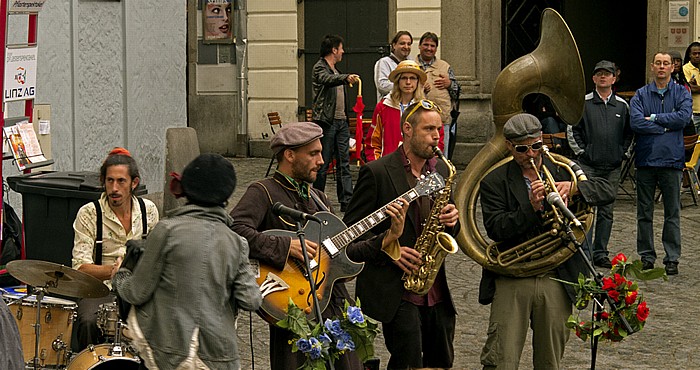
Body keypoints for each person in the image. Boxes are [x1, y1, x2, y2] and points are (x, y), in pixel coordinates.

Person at [479, 113, 609, 369]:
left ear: (542, 140)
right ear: (508, 146)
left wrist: (574, 189)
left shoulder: (563, 169)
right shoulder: (494, 180)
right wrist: (531, 208)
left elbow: (606, 190)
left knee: (550, 361)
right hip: (513, 276)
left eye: (536, 146)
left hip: (556, 276)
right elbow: (497, 228)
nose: (531, 154)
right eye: (522, 149)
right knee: (502, 358)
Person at [230, 121, 362, 370]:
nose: (321, 160)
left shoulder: (319, 198)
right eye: (313, 154)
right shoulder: (263, 191)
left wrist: (387, 239)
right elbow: (234, 230)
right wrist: (284, 246)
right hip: (291, 306)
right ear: (289, 155)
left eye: (320, 153)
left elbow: (340, 253)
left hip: (332, 303)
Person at [113, 154, 261, 370]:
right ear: (226, 195)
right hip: (219, 358)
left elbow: (136, 292)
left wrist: (121, 275)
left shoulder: (166, 230)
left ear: (187, 190)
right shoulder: (237, 243)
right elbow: (251, 300)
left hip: (168, 354)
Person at [344, 100, 459, 369]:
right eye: (428, 129)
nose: (436, 137)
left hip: (434, 289)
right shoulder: (377, 172)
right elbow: (350, 239)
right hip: (396, 291)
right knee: (407, 362)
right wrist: (388, 250)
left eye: (439, 130)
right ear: (407, 129)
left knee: (441, 362)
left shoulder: (442, 171)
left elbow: (451, 230)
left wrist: (452, 221)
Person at [71, 148, 159, 352]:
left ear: (134, 183)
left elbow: (158, 258)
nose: (114, 188)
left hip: (139, 289)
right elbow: (80, 268)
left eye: (121, 181)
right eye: (109, 181)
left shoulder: (149, 211)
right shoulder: (89, 213)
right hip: (100, 290)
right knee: (88, 322)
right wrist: (113, 271)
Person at [631, 51, 692, 275]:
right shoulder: (641, 94)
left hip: (672, 161)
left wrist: (656, 119)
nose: (662, 67)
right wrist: (668, 126)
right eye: (658, 63)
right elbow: (636, 122)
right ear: (652, 66)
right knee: (644, 213)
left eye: (666, 63)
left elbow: (684, 118)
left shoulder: (681, 93)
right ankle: (646, 256)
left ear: (672, 68)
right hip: (646, 160)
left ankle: (672, 258)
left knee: (672, 213)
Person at [567, 60, 633, 268]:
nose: (603, 77)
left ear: (614, 79)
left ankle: (601, 252)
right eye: (599, 74)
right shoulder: (583, 103)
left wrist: (623, 154)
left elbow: (629, 133)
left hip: (612, 167)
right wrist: (582, 153)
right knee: (586, 210)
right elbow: (572, 129)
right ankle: (585, 250)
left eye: (607, 74)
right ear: (594, 79)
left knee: (607, 212)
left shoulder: (622, 106)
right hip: (589, 166)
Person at [311, 34, 359, 212]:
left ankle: (347, 200)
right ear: (334, 50)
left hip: (341, 122)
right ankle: (317, 199)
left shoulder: (336, 70)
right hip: (327, 122)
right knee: (322, 164)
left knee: (344, 163)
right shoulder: (320, 67)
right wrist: (345, 78)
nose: (343, 52)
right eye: (341, 48)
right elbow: (326, 80)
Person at [366, 59, 443, 161]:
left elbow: (437, 140)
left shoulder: (425, 109)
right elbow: (373, 142)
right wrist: (378, 168)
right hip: (389, 166)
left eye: (412, 78)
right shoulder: (383, 107)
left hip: (418, 167)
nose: (408, 82)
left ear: (418, 82)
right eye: (404, 78)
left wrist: (429, 165)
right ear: (398, 81)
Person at [416, 32, 459, 158]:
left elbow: (457, 93)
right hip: (418, 119)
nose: (429, 48)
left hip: (442, 120)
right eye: (426, 45)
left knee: (440, 156)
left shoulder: (445, 66)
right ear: (419, 46)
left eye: (432, 46)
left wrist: (450, 84)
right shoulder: (411, 65)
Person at [374, 31, 413, 100]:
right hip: (389, 106)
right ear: (394, 45)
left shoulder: (412, 63)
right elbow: (382, 86)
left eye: (409, 44)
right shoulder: (384, 62)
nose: (406, 47)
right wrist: (403, 85)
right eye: (402, 43)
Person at [683, 42, 700, 132]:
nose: (697, 56)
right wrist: (694, 87)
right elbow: (691, 89)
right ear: (689, 55)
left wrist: (697, 87)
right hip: (694, 113)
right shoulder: (685, 69)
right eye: (694, 53)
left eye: (699, 53)